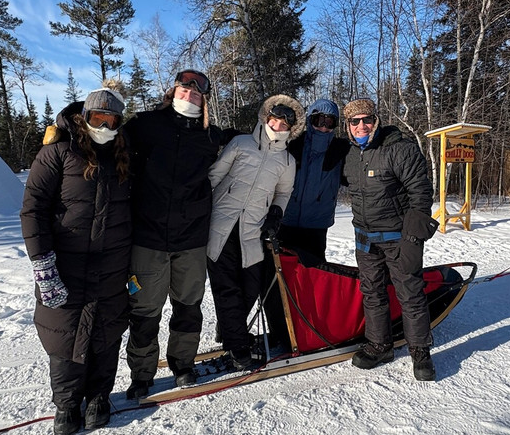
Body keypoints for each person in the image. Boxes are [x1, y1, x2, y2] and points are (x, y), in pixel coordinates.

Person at [21, 84, 131, 435]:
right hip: (66, 263)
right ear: (84, 117)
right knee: (64, 334)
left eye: (112, 119)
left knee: (107, 330)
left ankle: (100, 395)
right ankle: (67, 404)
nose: (105, 125)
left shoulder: (122, 155)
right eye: (99, 117)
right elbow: (33, 210)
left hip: (113, 262)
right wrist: (43, 265)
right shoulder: (57, 153)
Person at [124, 70, 226, 396]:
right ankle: (141, 375)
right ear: (174, 90)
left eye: (197, 91)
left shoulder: (211, 137)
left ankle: (183, 365)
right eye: (185, 87)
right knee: (143, 311)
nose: (190, 93)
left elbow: (253, 146)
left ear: (204, 98)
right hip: (147, 239)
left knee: (188, 306)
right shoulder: (145, 125)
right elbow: (106, 137)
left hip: (192, 240)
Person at [340, 98, 439, 381]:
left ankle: (420, 350)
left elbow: (420, 194)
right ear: (348, 126)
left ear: (376, 120)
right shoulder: (349, 155)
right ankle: (380, 344)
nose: (361, 125)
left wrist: (413, 238)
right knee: (372, 292)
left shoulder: (399, 149)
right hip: (365, 238)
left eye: (366, 119)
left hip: (399, 237)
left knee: (409, 293)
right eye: (354, 121)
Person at [206, 95, 303, 369]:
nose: (278, 125)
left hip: (252, 231)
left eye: (285, 124)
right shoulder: (241, 144)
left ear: (291, 130)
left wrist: (275, 213)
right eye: (275, 119)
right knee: (227, 290)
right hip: (220, 227)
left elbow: (283, 193)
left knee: (250, 288)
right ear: (266, 118)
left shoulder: (287, 161)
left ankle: (228, 329)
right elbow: (214, 176)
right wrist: (195, 210)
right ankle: (237, 347)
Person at [280, 99, 350, 262]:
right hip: (287, 220)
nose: (323, 127)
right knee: (283, 274)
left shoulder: (340, 149)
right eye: (319, 120)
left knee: (313, 275)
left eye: (329, 122)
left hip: (316, 225)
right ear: (310, 119)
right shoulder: (293, 144)